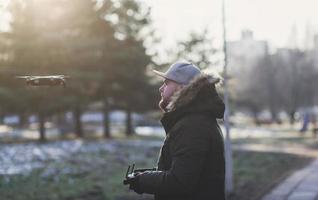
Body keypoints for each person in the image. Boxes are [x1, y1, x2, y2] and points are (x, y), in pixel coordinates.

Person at [123, 61, 226, 200]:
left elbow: (179, 183)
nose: (161, 88)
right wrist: (147, 176)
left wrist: (143, 181)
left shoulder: (193, 126)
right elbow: (185, 172)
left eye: (166, 83)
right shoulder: (193, 121)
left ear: (181, 89)